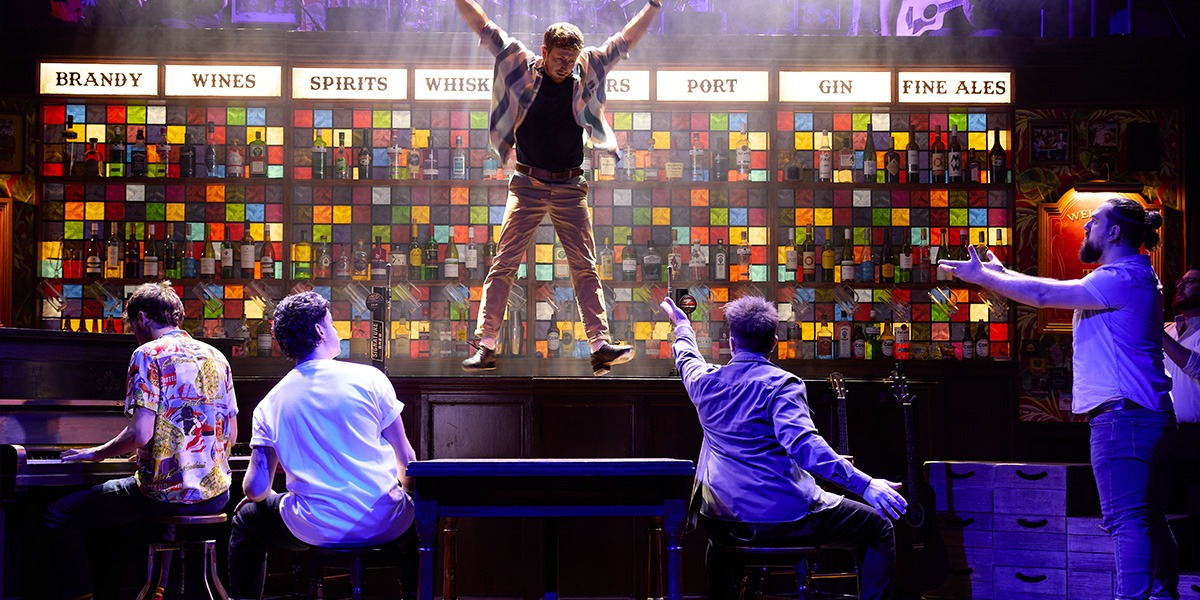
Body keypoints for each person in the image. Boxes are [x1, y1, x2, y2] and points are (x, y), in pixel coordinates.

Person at [940, 197, 1177, 599]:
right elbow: (1044, 290)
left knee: (1127, 520)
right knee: (1147, 517)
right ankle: (1163, 593)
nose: (1086, 228)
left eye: (1095, 221)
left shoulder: (1119, 277)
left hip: (1125, 418)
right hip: (1141, 416)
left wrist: (985, 278)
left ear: (1115, 231)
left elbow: (1044, 296)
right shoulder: (1133, 276)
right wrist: (1005, 274)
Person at [454, 0, 661, 375]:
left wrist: (654, 5)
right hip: (528, 183)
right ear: (544, 52)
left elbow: (624, 39)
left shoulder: (588, 67)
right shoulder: (520, 62)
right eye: (559, 59)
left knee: (585, 266)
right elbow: (484, 27)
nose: (566, 66)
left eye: (571, 59)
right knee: (504, 265)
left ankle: (600, 347)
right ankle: (485, 346)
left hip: (569, 185)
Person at [660, 294, 907, 600]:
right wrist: (866, 485)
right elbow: (805, 448)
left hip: (723, 523)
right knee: (878, 526)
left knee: (719, 546)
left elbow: (687, 358)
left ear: (732, 343)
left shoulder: (706, 382)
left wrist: (683, 326)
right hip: (782, 521)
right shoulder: (782, 385)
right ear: (774, 343)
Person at [44, 281, 238, 599]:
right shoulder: (217, 357)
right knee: (129, 516)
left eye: (132, 324)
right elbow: (230, 433)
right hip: (216, 495)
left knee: (57, 515)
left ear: (143, 318)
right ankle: (156, 587)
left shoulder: (146, 354)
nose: (133, 331)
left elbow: (140, 434)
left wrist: (96, 453)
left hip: (163, 494)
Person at [228, 291, 417, 600]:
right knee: (423, 516)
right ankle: (414, 593)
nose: (337, 332)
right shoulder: (370, 379)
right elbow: (406, 462)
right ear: (319, 330)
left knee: (247, 520)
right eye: (331, 324)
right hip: (386, 521)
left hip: (314, 526)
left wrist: (267, 498)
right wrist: (407, 499)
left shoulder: (269, 403)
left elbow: (256, 489)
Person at [1163, 264, 1200, 560]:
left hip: (1197, 435)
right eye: (1181, 280)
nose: (1181, 285)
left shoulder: (1164, 335)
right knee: (1166, 508)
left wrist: (1159, 338)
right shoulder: (1169, 329)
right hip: (1165, 432)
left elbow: (1197, 367)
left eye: (1190, 282)